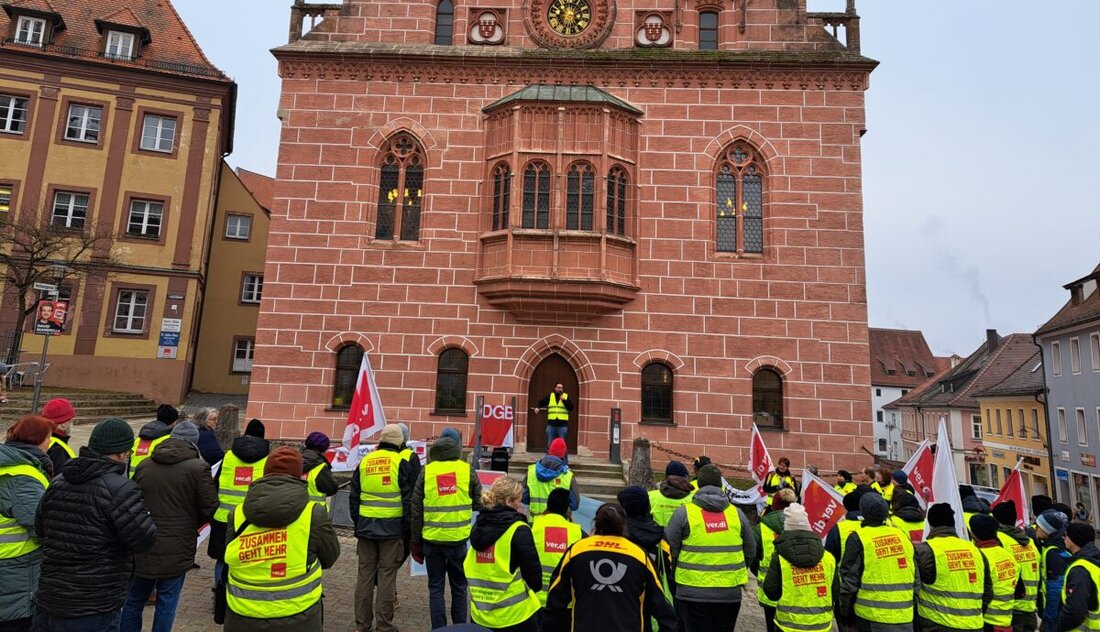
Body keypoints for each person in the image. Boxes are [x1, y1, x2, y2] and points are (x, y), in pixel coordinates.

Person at [33, 418, 157, 631]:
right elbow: (144, 539)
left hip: (49, 598)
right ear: (121, 454)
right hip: (93, 605)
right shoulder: (122, 489)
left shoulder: (59, 482)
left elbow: (41, 528)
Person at [223, 447, 340, 632]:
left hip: (242, 613)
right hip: (299, 614)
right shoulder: (313, 514)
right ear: (299, 475)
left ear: (265, 472)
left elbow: (228, 557)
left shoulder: (237, 514)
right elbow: (330, 557)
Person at [122, 421, 218, 632]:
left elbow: (132, 498)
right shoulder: (198, 468)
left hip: (143, 539)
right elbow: (209, 506)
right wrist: (193, 523)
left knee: (134, 597)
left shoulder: (146, 464)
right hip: (178, 542)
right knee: (168, 599)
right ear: (194, 443)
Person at [544, 503, 677, 632]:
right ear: (624, 525)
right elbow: (662, 607)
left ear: (596, 523)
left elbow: (555, 599)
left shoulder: (577, 550)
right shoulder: (639, 555)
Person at [666, 463, 756, 632]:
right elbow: (751, 550)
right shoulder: (737, 514)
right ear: (721, 485)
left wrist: (678, 572)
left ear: (697, 484)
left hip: (691, 592)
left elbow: (670, 550)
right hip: (729, 593)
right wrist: (735, 569)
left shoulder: (684, 513)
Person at [410, 427, 483, 629]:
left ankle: (439, 629)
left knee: (435, 588)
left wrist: (415, 542)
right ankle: (459, 627)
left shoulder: (427, 471)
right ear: (456, 448)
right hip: (458, 541)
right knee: (460, 587)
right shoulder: (466, 470)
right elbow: (478, 503)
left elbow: (416, 510)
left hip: (431, 542)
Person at [351, 424, 413, 632]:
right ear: (399, 442)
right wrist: (407, 531)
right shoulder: (401, 461)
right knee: (387, 576)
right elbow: (408, 501)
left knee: (364, 575)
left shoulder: (365, 462)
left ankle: (362, 625)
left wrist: (359, 523)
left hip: (366, 528)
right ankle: (384, 625)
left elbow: (354, 498)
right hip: (392, 530)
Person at [464, 476, 541, 631]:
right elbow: (533, 576)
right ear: (508, 501)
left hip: (480, 614)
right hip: (514, 616)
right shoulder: (519, 530)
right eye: (518, 501)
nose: (520, 505)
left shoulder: (479, 526)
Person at [0, 416, 54, 632]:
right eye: (49, 438)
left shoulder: (7, 463)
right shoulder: (23, 476)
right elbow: (40, 526)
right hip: (16, 573)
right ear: (39, 440)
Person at [211, 418, 270, 613]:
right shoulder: (267, 459)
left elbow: (216, 483)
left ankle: (219, 597)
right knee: (249, 559)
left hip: (224, 516)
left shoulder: (228, 456)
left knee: (223, 558)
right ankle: (243, 597)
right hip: (252, 519)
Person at [836, 492, 916, 632]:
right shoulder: (901, 535)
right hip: (904, 616)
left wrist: (845, 613)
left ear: (863, 512)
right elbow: (916, 578)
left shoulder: (858, 538)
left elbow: (849, 582)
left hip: (869, 617)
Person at [914, 503, 992, 632]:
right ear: (952, 523)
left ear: (930, 524)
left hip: (937, 624)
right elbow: (988, 590)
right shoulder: (975, 550)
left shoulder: (924, 550)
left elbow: (913, 589)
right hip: (974, 625)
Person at [762, 504, 838, 632]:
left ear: (786, 528)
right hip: (821, 624)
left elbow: (771, 591)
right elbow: (835, 591)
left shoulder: (780, 557)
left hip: (788, 625)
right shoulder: (828, 557)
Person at [618, 485, 673, 611]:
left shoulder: (616, 535)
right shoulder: (660, 537)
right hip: (651, 602)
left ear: (624, 509)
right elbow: (669, 569)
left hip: (620, 602)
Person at [992, 500, 1040, 632]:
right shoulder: (1030, 542)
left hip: (1012, 609)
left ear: (996, 521)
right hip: (1030, 609)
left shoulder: (999, 540)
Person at [753, 488, 797, 632]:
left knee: (771, 625)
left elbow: (753, 556)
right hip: (797, 587)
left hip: (769, 589)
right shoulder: (803, 524)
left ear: (774, 504)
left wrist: (760, 572)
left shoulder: (762, 527)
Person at [531, 488, 583, 607]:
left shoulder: (534, 526)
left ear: (548, 505)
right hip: (563, 600)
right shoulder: (576, 532)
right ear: (567, 509)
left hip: (535, 599)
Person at [970, 514, 1020, 632]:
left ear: (975, 535)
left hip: (987, 621)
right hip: (1007, 621)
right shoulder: (1008, 555)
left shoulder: (980, 558)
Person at [522, 438, 578, 516]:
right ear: (563, 454)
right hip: (559, 524)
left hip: (536, 524)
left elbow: (524, 499)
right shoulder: (568, 475)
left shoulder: (531, 471)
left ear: (549, 451)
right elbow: (574, 505)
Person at [1035, 509, 1071, 630]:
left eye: (1039, 527)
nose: (1036, 529)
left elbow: (1055, 586)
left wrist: (1050, 615)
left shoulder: (1052, 552)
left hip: (1054, 611)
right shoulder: (1055, 546)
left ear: (1048, 530)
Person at [1060, 523, 1100, 631]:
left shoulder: (1080, 569)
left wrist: (1059, 627)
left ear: (1074, 539)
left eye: (1066, 535)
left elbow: (1075, 611)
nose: (1064, 537)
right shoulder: (1094, 560)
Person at [824, 484, 868, 564]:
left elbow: (829, 557)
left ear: (846, 509)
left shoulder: (838, 529)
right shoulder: (877, 524)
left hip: (845, 574)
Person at [130, 405, 179, 474]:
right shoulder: (168, 440)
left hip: (131, 479)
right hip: (150, 480)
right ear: (173, 423)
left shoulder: (139, 438)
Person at [648, 461, 695, 527]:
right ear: (686, 477)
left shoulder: (650, 496)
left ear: (666, 477)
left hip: (656, 536)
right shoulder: (694, 499)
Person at [531, 382, 573, 455]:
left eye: (561, 388)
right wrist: (537, 407)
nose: (560, 389)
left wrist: (564, 400)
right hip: (551, 425)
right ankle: (549, 463)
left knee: (562, 446)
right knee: (550, 445)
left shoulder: (565, 396)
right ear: (555, 388)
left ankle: (564, 464)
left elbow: (571, 407)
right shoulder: (550, 396)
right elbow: (541, 402)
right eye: (558, 387)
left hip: (562, 425)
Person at [300, 432, 338, 507]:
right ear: (323, 450)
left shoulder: (294, 460)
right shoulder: (320, 467)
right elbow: (332, 488)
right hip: (314, 512)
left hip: (293, 511)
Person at [40, 398, 76, 475]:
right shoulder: (59, 450)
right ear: (63, 424)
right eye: (71, 420)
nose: (72, 424)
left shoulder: (39, 439)